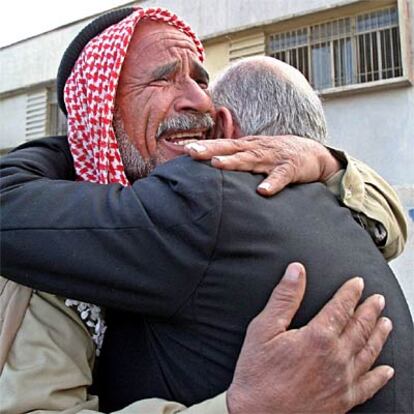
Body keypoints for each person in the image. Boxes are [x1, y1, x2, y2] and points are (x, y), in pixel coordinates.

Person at [0, 6, 412, 413]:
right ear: (100, 108)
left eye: (201, 79)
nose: (201, 100)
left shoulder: (225, 199)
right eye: (163, 79)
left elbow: (389, 228)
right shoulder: (47, 246)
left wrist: (327, 160)